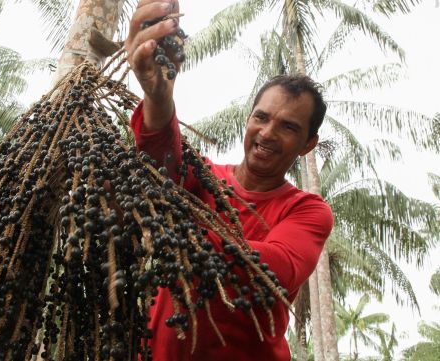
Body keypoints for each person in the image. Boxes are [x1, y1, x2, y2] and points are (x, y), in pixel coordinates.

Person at [124, 1, 334, 360]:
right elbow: (161, 156)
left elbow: (273, 269)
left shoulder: (307, 211)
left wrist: (177, 228)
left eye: (288, 127)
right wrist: (158, 96)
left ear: (307, 144)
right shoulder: (202, 178)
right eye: (261, 117)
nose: (267, 133)